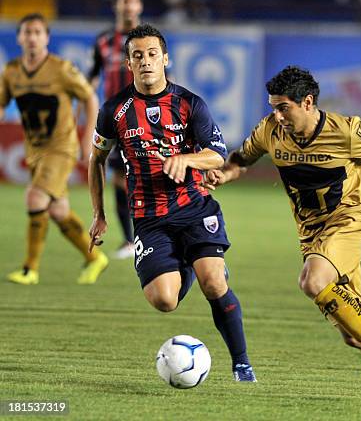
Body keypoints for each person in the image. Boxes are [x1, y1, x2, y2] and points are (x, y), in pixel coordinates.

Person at [204, 66, 361, 398]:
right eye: (273, 107)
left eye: (283, 107)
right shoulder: (271, 130)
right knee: (354, 333)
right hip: (312, 235)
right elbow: (242, 158)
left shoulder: (348, 131)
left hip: (350, 222)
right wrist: (224, 175)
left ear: (308, 102)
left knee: (312, 281)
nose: (277, 115)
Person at [88, 24, 256, 382]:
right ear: (128, 63)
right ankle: (190, 259)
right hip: (149, 218)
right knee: (165, 301)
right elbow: (95, 160)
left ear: (166, 59)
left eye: (152, 54)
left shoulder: (189, 103)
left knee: (214, 283)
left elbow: (217, 155)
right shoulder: (114, 111)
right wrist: (100, 215)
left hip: (194, 207)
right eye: (138, 56)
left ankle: (242, 363)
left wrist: (187, 160)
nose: (146, 61)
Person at [0, 13, 108, 285]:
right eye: (27, 32)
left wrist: (88, 140)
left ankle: (29, 269)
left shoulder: (61, 69)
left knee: (35, 198)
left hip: (61, 147)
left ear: (47, 38)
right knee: (58, 211)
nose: (32, 37)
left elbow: (90, 98)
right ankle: (94, 258)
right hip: (35, 149)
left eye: (38, 32)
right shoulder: (11, 72)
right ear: (20, 38)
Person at [87, 0, 143, 259]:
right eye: (124, 1)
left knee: (149, 175)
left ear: (140, 7)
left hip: (143, 116)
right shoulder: (103, 40)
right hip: (114, 119)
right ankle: (130, 240)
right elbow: (92, 76)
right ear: (117, 6)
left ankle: (154, 235)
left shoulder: (146, 39)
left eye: (133, 2)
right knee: (119, 179)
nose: (128, 6)